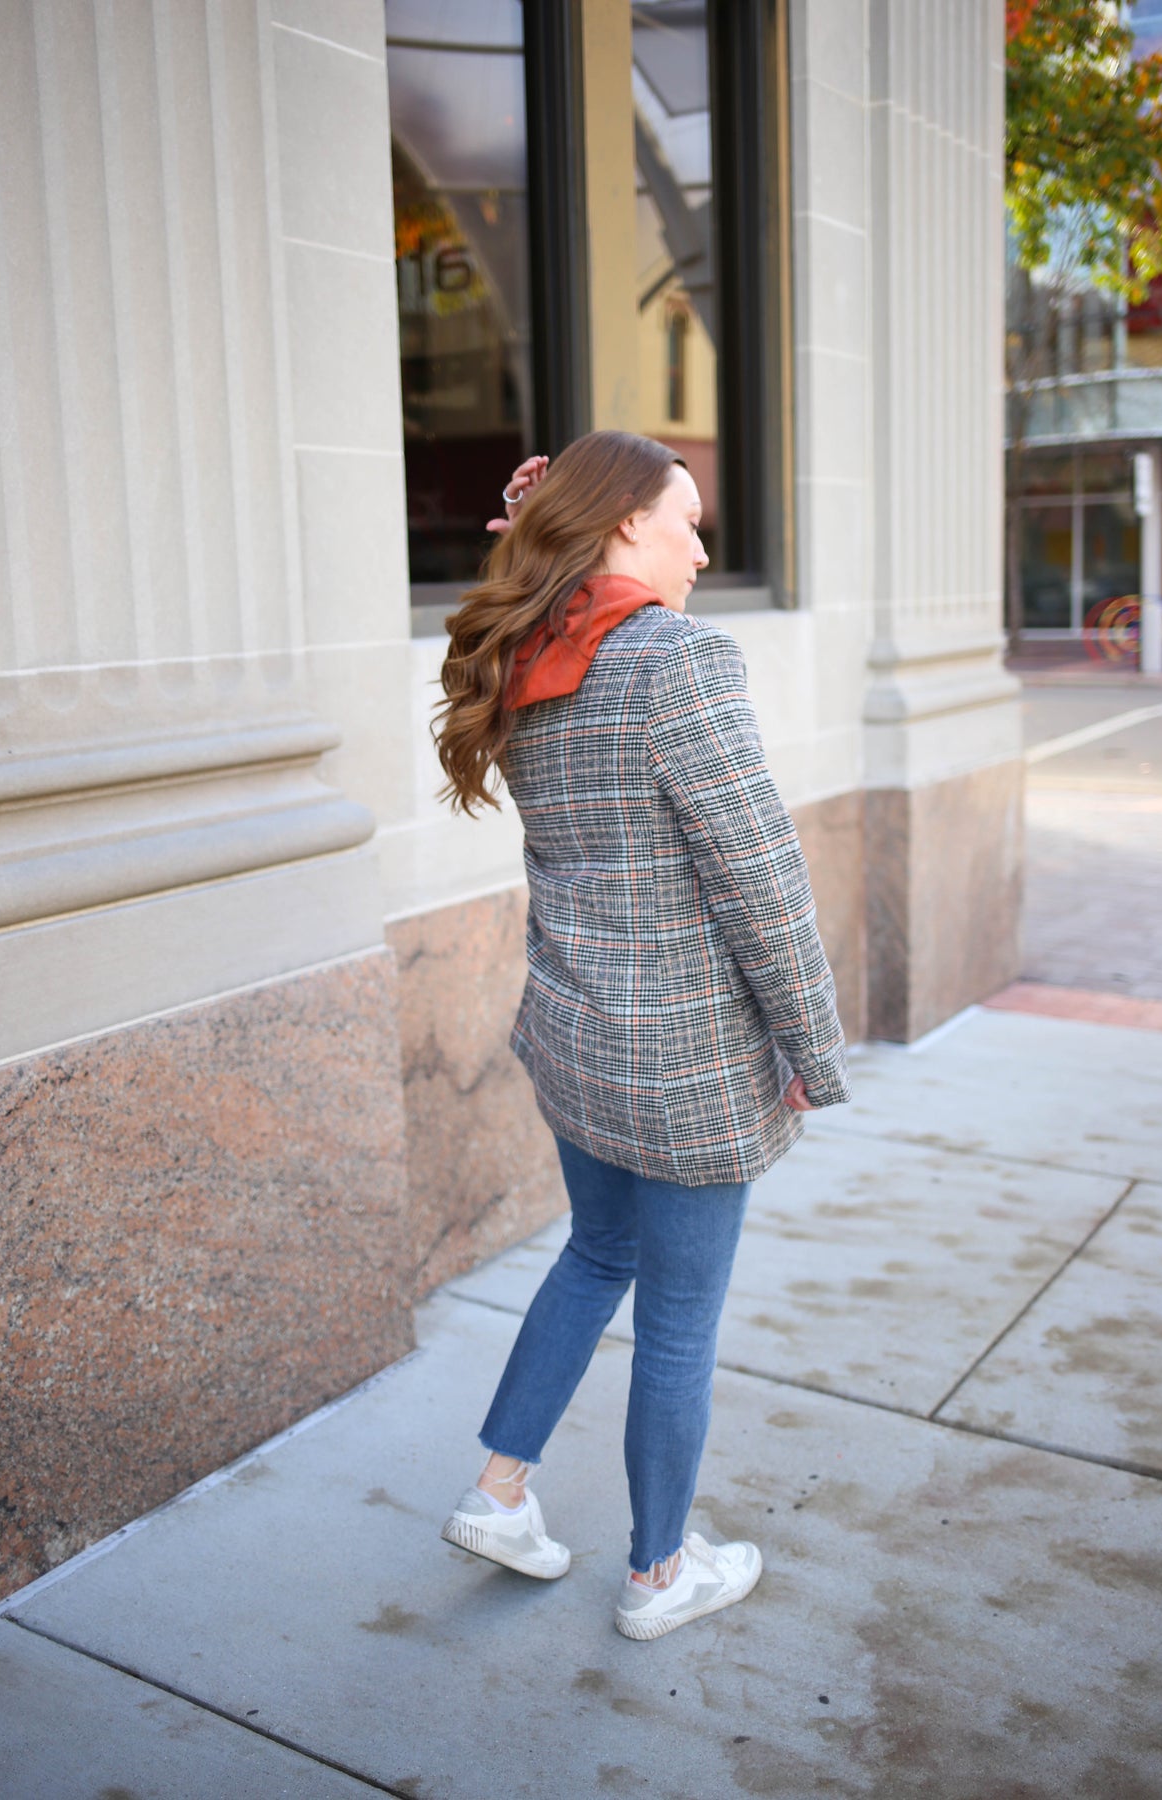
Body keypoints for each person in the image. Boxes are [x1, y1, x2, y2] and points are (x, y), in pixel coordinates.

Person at [433, 431, 850, 1641]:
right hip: (684, 1066)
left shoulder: (525, 656)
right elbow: (761, 881)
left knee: (595, 1255)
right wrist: (816, 1056)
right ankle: (662, 1575)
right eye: (686, 521)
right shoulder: (676, 661)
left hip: (575, 1041)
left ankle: (500, 1491)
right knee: (675, 1318)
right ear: (622, 526)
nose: (705, 549)